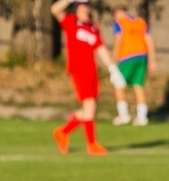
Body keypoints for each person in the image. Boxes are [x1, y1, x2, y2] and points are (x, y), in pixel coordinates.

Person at [50, 0, 126, 156]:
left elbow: (101, 48)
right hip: (78, 69)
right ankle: (91, 145)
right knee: (89, 105)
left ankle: (62, 132)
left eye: (88, 5)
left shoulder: (93, 26)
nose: (86, 8)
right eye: (83, 5)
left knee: (88, 109)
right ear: (76, 8)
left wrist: (113, 69)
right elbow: (54, 9)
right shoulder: (70, 21)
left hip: (92, 70)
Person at [111, 4, 157, 126]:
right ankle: (142, 117)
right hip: (142, 57)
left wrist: (113, 60)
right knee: (138, 85)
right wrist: (152, 61)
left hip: (127, 57)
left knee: (118, 84)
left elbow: (118, 41)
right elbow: (150, 42)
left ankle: (123, 115)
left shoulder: (119, 23)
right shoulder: (140, 22)